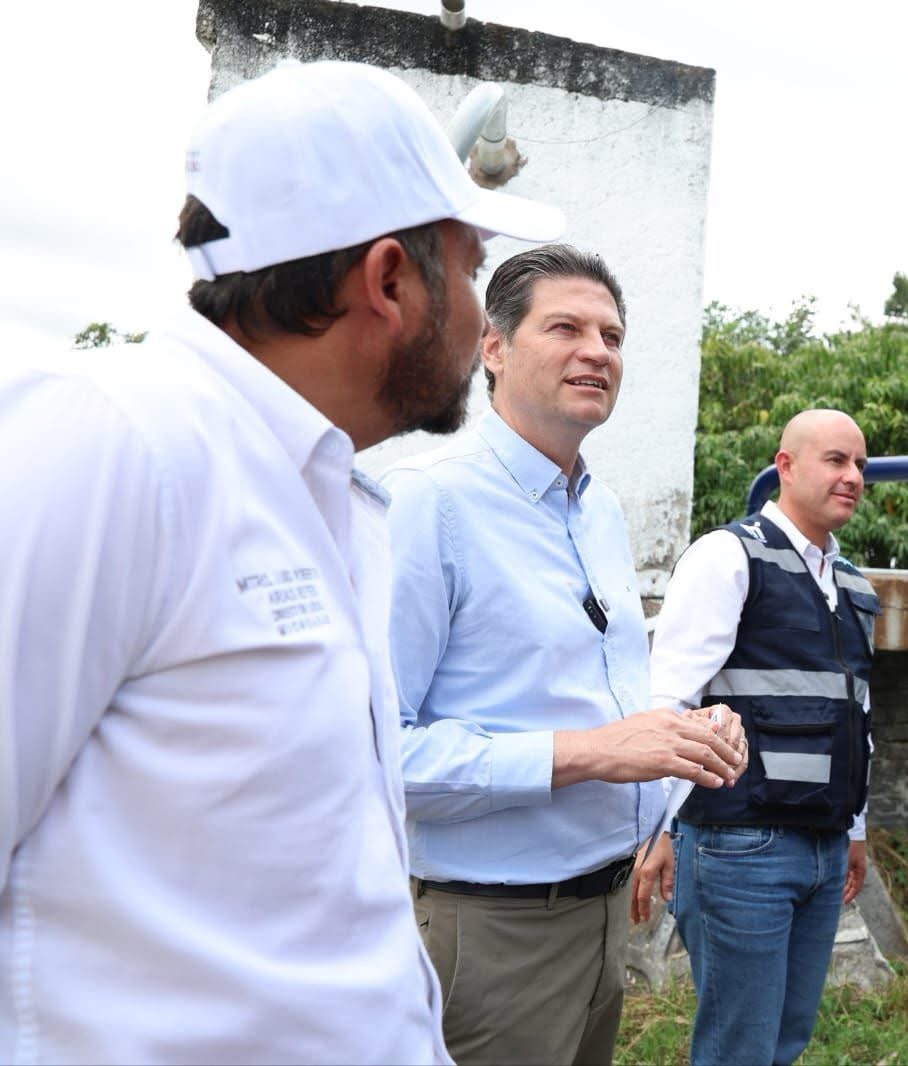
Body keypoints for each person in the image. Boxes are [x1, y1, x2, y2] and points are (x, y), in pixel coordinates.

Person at [0, 60, 565, 1062]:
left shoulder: (328, 490)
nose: (484, 321)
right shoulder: (114, 443)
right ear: (388, 280)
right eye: (472, 270)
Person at [385, 244, 747, 1066]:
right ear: (493, 347)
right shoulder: (429, 501)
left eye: (612, 336)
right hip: (495, 931)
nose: (598, 351)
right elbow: (374, 753)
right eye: (566, 328)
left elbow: (601, 705)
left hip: (607, 913)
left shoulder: (600, 509)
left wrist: (682, 737)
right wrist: (593, 754)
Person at [637, 408, 877, 1066]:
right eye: (836, 460)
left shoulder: (853, 585)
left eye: (860, 465)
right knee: (738, 1048)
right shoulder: (729, 556)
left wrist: (856, 830)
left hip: (825, 846)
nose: (853, 477)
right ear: (786, 467)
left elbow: (859, 715)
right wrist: (658, 829)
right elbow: (670, 699)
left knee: (785, 1041)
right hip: (741, 846)